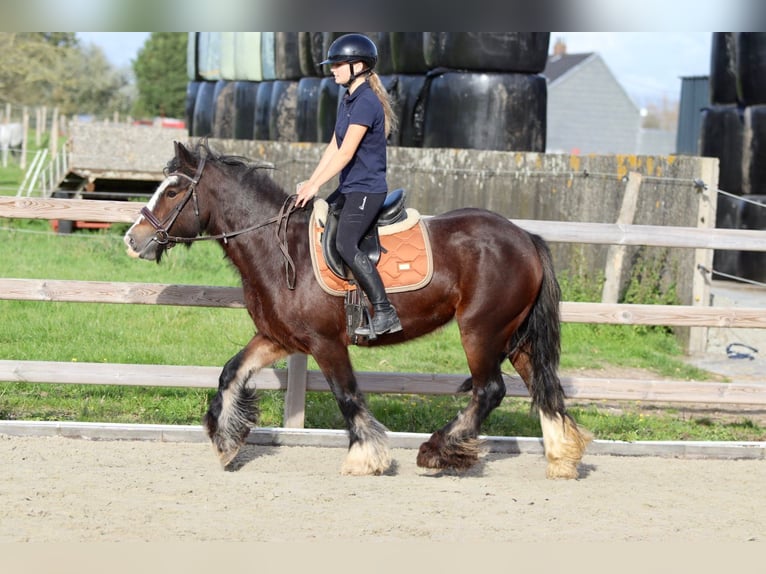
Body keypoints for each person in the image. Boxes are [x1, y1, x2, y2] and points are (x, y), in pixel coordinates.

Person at [296, 33, 401, 337]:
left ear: (358, 65)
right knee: (316, 223)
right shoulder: (348, 99)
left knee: (345, 243)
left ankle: (384, 311)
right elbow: (332, 146)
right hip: (350, 186)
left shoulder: (367, 101)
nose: (333, 69)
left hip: (366, 189)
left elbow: (346, 153)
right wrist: (310, 184)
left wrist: (316, 186)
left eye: (338, 63)